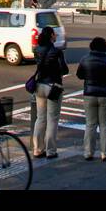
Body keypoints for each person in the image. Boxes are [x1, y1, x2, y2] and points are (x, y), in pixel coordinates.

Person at [76, 36, 106, 161]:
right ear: (104, 48)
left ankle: (88, 153)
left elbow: (79, 75)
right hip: (105, 95)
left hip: (89, 94)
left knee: (90, 124)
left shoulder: (85, 59)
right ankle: (105, 153)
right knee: (105, 125)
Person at [30, 25, 68, 158]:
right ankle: (50, 150)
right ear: (51, 36)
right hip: (53, 86)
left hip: (39, 85)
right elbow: (65, 69)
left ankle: (37, 149)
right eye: (54, 34)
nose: (56, 35)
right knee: (52, 118)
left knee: (40, 118)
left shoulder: (37, 50)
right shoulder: (57, 52)